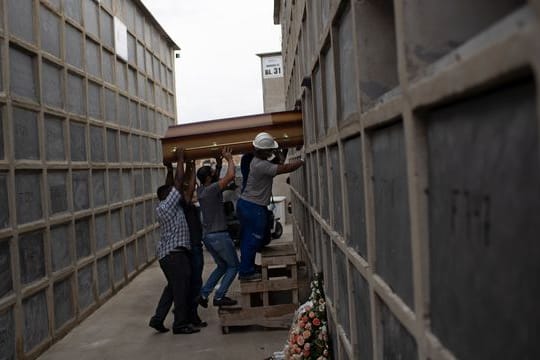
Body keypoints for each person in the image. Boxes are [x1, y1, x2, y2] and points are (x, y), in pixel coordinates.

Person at [236, 132, 303, 281]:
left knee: (249, 238)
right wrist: (302, 161)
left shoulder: (254, 161)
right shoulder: (261, 165)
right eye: (270, 150)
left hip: (248, 205)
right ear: (263, 151)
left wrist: (282, 150)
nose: (272, 152)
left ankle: (248, 267)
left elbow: (278, 163)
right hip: (253, 207)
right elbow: (284, 168)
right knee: (253, 238)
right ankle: (246, 272)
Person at [148, 149, 200, 335]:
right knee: (181, 289)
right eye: (172, 192)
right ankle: (180, 324)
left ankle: (157, 319)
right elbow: (177, 184)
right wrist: (180, 159)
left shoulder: (168, 205)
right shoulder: (166, 206)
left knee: (172, 288)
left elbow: (173, 184)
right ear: (167, 196)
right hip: (175, 255)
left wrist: (170, 169)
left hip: (169, 255)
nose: (176, 192)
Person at [195, 147, 240, 307]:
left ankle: (204, 294)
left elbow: (216, 179)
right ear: (208, 178)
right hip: (219, 236)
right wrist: (229, 158)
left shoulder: (201, 189)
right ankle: (219, 297)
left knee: (222, 266)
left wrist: (219, 164)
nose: (214, 173)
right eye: (212, 172)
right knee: (234, 266)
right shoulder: (212, 189)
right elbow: (231, 176)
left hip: (208, 237)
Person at [180, 160, 207, 328]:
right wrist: (190, 167)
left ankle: (189, 314)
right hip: (193, 247)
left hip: (195, 246)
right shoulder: (184, 205)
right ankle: (191, 315)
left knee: (195, 281)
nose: (195, 188)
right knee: (195, 282)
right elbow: (189, 191)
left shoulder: (190, 205)